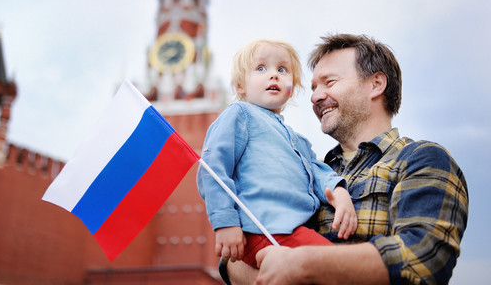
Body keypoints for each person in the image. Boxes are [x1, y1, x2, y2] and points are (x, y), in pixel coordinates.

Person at [224, 34, 469, 285]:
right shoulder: (306, 168)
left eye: (329, 82)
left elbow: (423, 257)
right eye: (313, 88)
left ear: (376, 84)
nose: (315, 96)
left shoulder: (422, 159)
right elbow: (233, 259)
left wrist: (302, 264)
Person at [197, 39, 357, 268]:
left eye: (282, 70)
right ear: (241, 86)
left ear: (293, 88)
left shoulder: (297, 140)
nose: (274, 75)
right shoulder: (239, 114)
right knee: (340, 268)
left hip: (292, 230)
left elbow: (317, 170)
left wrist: (339, 193)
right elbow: (213, 169)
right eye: (261, 68)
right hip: (264, 229)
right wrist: (225, 223)